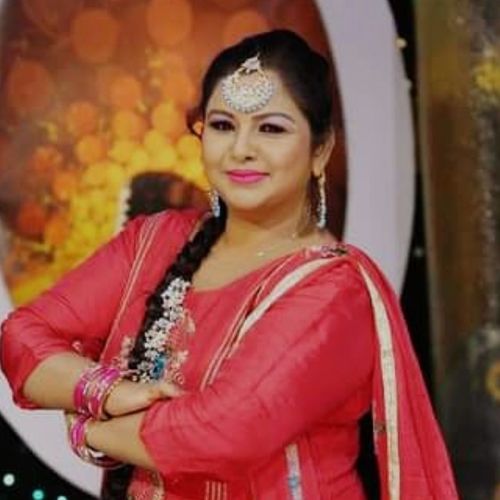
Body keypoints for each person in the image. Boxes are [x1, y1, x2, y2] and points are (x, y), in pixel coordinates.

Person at [0, 30, 458, 499]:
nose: (241, 148)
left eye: (270, 129)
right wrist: (107, 392)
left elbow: (222, 430)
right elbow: (22, 336)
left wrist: (88, 429)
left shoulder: (335, 290)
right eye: (222, 125)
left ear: (321, 150)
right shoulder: (154, 241)